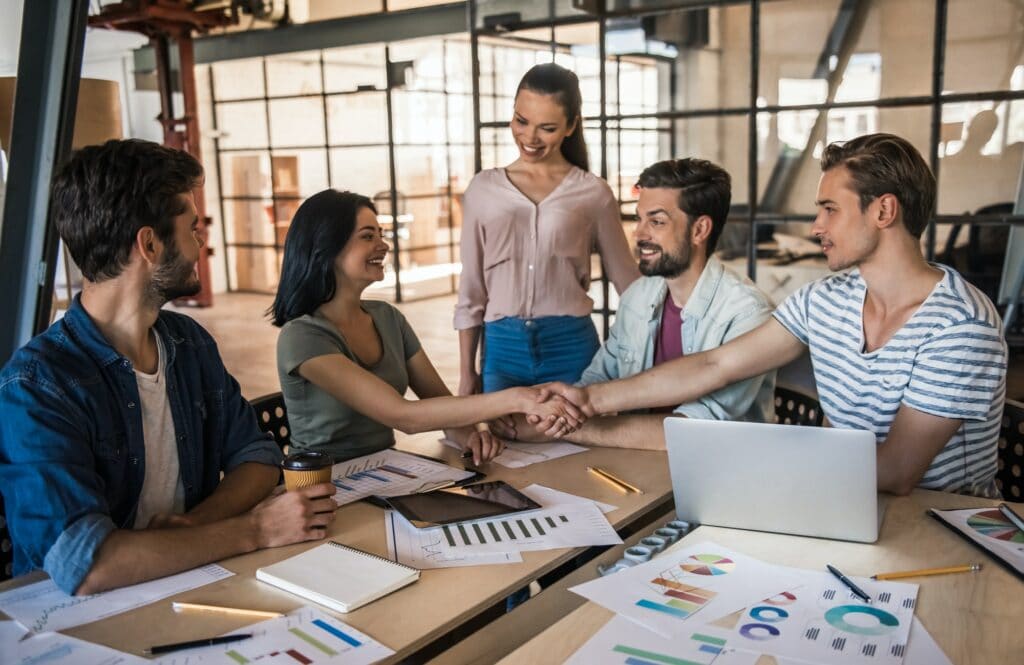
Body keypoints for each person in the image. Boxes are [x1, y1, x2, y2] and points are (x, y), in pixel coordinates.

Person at [540, 133, 1007, 497]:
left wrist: (753, 453)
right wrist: (590, 400)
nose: (816, 227)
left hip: (938, 523)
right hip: (842, 498)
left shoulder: (960, 327)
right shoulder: (823, 300)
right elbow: (714, 365)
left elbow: (897, 472)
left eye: (829, 210)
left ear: (883, 210)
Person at [0, 139, 337, 596]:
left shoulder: (187, 342)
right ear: (150, 244)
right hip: (80, 625)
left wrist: (194, 526)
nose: (201, 241)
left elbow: (256, 457)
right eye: (193, 227)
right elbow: (86, 564)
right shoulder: (38, 384)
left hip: (192, 581)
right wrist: (255, 531)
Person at [271, 189, 582, 465]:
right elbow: (402, 416)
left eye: (381, 233)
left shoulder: (387, 318)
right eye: (368, 236)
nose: (384, 245)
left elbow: (438, 402)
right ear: (327, 248)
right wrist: (517, 398)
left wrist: (468, 437)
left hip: (386, 471)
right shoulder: (303, 336)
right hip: (325, 485)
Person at [513, 158, 775, 449]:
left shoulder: (748, 313)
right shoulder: (638, 295)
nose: (639, 234)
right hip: (636, 464)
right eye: (639, 218)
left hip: (719, 474)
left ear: (700, 230)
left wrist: (571, 429)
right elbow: (597, 379)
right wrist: (549, 416)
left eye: (657, 221)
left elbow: (697, 432)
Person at [454, 63, 640, 396]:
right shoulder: (483, 189)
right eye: (521, 121)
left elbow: (629, 283)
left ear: (571, 127)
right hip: (502, 351)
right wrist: (467, 373)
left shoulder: (593, 193)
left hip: (572, 347)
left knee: (579, 443)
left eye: (547, 128)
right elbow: (471, 289)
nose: (530, 137)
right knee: (506, 443)